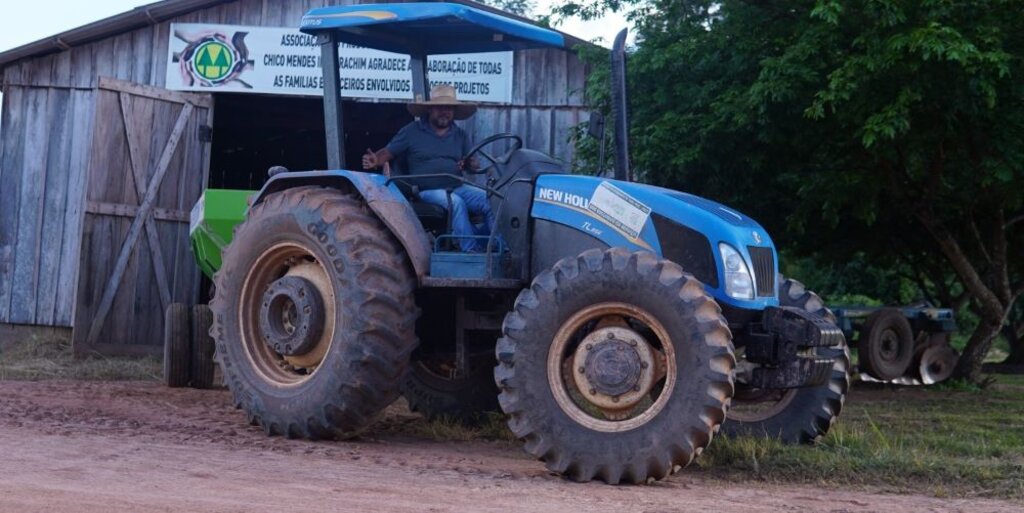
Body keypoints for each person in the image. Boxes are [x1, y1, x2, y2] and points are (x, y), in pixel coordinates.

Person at [362, 84, 494, 252]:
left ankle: (493, 246)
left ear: (454, 112)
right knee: (456, 203)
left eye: (449, 108)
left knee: (490, 200)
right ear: (430, 109)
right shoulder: (412, 131)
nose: (444, 112)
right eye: (440, 107)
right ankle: (472, 252)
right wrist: (375, 160)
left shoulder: (460, 135)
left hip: (457, 185)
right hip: (427, 189)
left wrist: (469, 164)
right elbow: (388, 152)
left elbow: (472, 163)